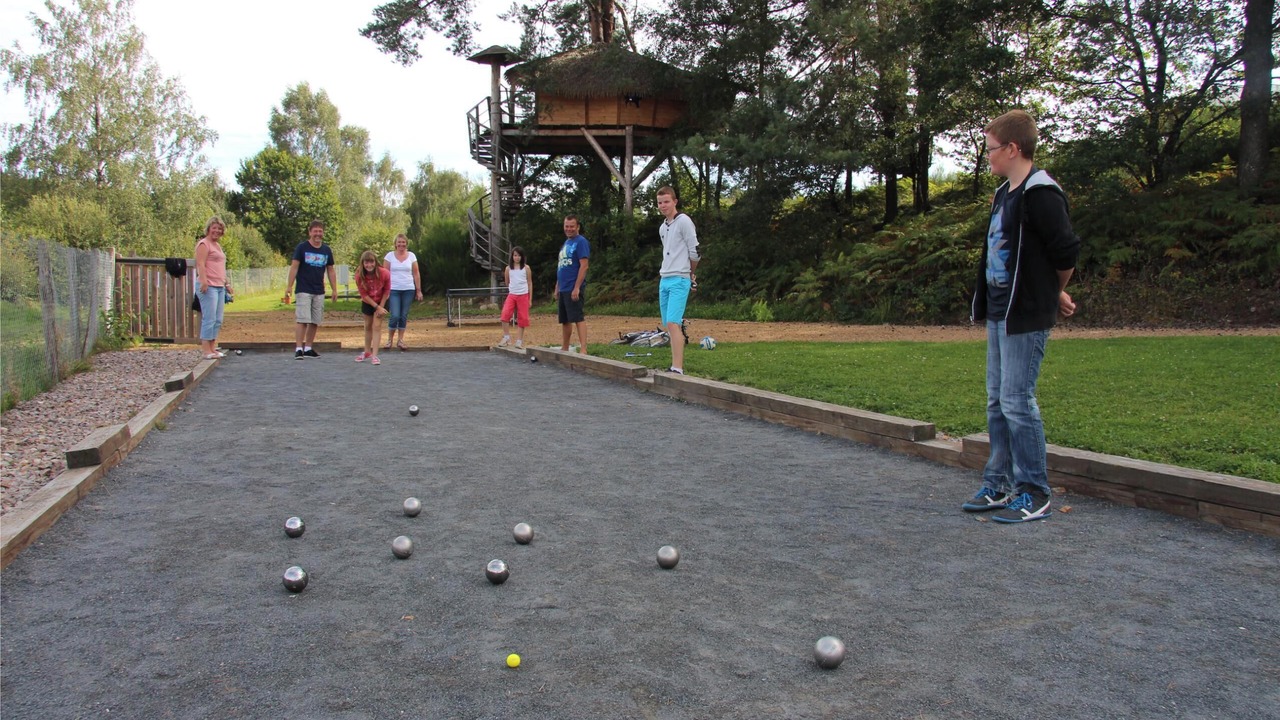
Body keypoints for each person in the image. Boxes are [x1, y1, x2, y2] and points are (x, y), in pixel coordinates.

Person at [961, 109, 1080, 524]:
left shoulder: (1041, 193)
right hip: (1000, 311)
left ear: (1013, 148)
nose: (988, 156)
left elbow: (1065, 252)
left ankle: (1034, 491)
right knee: (997, 401)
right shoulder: (1003, 194)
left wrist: (1052, 291)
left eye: (992, 149)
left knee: (1017, 401)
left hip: (1025, 314)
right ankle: (998, 482)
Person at [656, 186, 700, 375]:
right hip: (665, 278)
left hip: (680, 278)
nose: (663, 205)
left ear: (675, 202)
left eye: (666, 201)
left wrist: (691, 274)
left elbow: (695, 252)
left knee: (673, 322)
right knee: (669, 323)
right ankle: (674, 365)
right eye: (660, 202)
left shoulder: (684, 221)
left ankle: (677, 368)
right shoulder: (662, 227)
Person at [283, 220, 338, 359]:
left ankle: (308, 348)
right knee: (302, 319)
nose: (318, 234)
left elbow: (330, 270)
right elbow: (294, 267)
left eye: (320, 231)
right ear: (310, 232)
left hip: (319, 290)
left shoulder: (326, 250)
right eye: (315, 231)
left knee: (315, 320)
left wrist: (334, 289)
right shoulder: (302, 248)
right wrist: (289, 286)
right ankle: (298, 349)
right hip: (304, 289)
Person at [194, 216, 233, 360]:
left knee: (218, 319)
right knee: (209, 318)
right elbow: (201, 264)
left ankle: (213, 347)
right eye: (214, 228)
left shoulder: (217, 246)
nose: (217, 231)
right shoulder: (204, 244)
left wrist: (227, 284)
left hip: (219, 286)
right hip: (208, 286)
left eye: (219, 229)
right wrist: (204, 281)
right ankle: (206, 350)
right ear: (209, 229)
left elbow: (220, 267)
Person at [554, 215, 590, 353]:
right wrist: (557, 286)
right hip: (563, 287)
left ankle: (583, 349)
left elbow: (584, 266)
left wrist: (577, 287)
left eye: (572, 226)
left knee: (577, 317)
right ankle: (565, 347)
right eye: (566, 226)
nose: (569, 229)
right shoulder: (566, 243)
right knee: (565, 320)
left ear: (577, 227)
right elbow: (562, 266)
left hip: (573, 286)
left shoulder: (581, 242)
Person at [382, 234, 422, 351]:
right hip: (393, 289)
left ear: (406, 243)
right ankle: (389, 339)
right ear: (395, 244)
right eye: (399, 242)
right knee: (395, 315)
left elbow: (416, 273)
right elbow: (384, 274)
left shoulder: (412, 256)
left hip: (408, 289)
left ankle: (400, 340)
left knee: (403, 315)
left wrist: (418, 290)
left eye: (403, 242)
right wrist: (384, 291)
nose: (401, 244)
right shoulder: (389, 256)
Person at [354, 250, 390, 365]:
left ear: (375, 262)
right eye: (366, 262)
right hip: (368, 301)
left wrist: (380, 307)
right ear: (363, 263)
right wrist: (375, 306)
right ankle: (367, 351)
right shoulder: (359, 275)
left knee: (377, 326)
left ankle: (375, 355)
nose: (369, 265)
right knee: (368, 326)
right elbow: (363, 294)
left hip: (382, 300)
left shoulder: (384, 273)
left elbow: (387, 290)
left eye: (371, 262)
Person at [498, 246, 533, 349]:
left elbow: (530, 283)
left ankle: (519, 341)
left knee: (522, 318)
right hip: (512, 294)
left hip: (523, 295)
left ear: (522, 257)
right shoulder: (508, 268)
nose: (517, 258)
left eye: (519, 256)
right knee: (505, 315)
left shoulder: (526, 268)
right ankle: (506, 337)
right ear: (512, 256)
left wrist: (530, 299)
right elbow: (507, 282)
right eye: (515, 255)